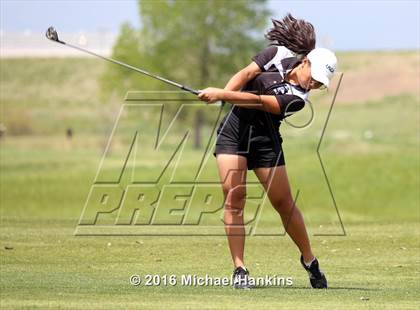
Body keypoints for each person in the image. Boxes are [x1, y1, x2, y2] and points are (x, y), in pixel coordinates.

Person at [198, 13, 337, 289]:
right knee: (234, 199)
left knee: (283, 204)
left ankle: (309, 261)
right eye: (316, 77)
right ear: (306, 61)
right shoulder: (277, 53)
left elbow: (258, 101)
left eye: (321, 84)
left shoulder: (298, 100)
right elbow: (246, 75)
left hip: (265, 141)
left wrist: (221, 95)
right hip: (234, 133)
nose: (315, 85)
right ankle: (239, 269)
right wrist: (221, 95)